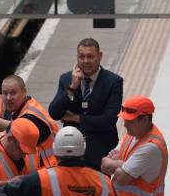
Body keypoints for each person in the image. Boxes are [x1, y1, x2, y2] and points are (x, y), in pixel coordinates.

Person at [48, 38, 123, 170]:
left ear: (100, 57)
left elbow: (109, 120)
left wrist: (76, 118)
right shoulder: (66, 79)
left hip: (101, 149)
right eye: (82, 57)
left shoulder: (113, 82)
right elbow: (54, 112)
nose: (86, 61)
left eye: (90, 56)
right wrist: (72, 87)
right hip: (71, 151)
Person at [0, 75, 59, 168]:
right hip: (45, 166)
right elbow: (7, 132)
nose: (8, 98)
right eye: (5, 93)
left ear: (24, 92)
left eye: (13, 93)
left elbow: (6, 143)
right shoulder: (26, 105)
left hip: (48, 168)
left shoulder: (29, 118)